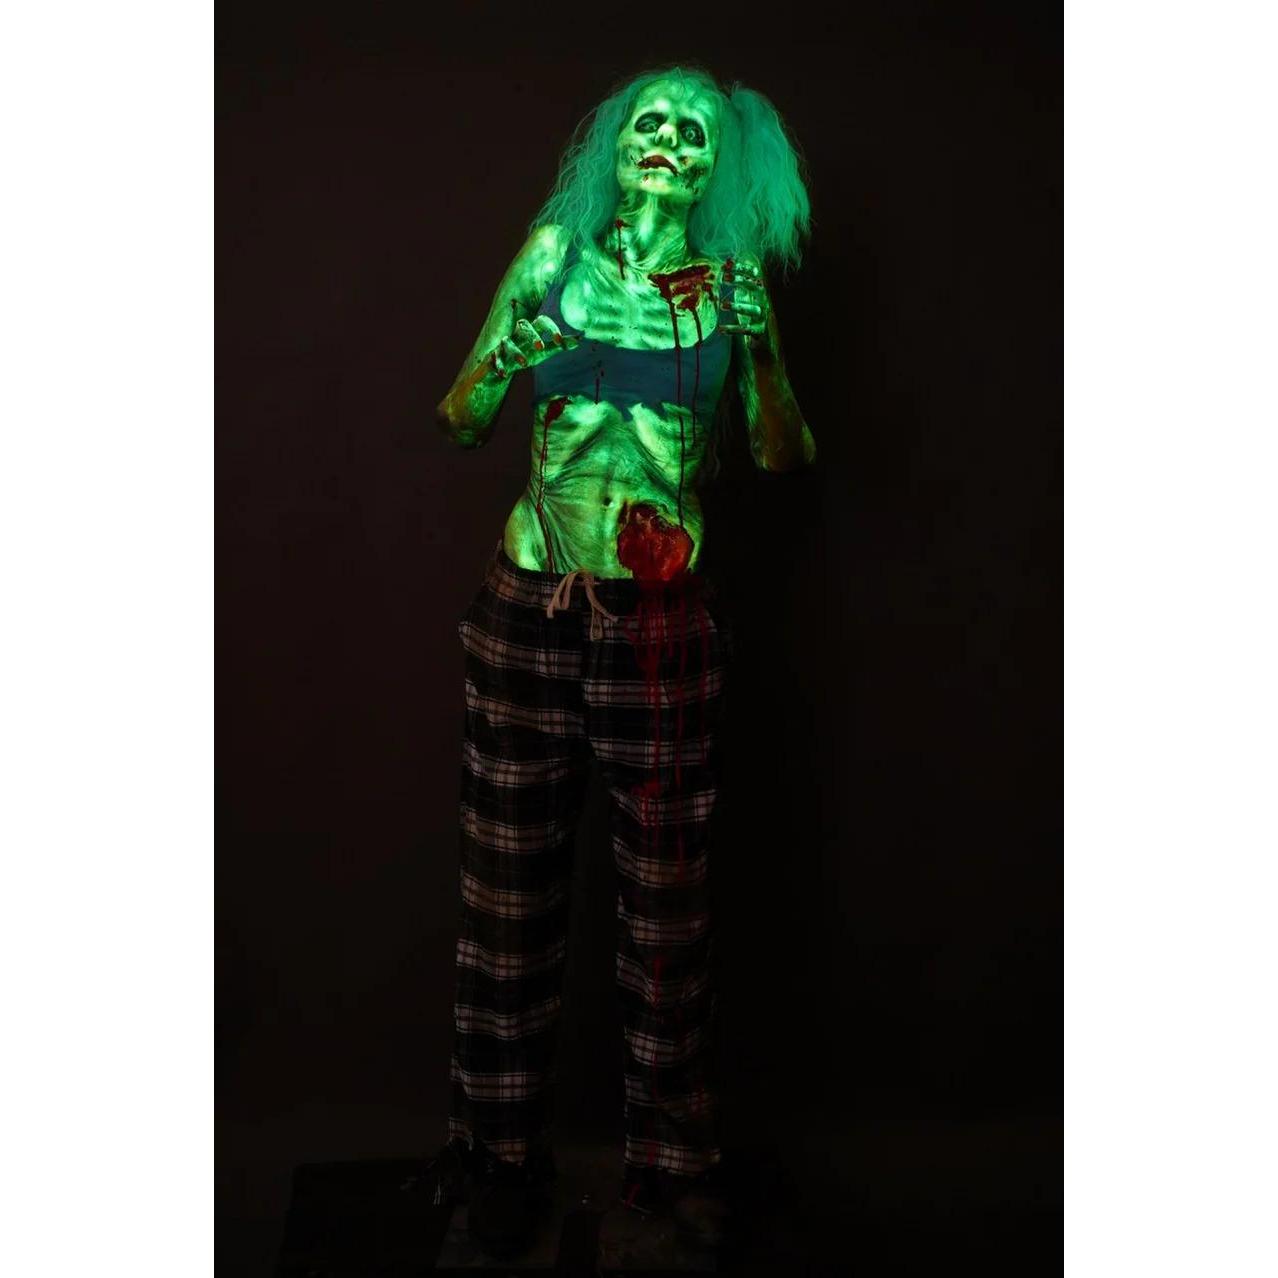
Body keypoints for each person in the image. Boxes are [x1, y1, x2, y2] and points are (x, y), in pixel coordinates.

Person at [430, 64, 815, 1259]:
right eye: (650, 122)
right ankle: (497, 1156)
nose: (667, 144)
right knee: (506, 897)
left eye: (693, 134)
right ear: (617, 145)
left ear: (718, 169)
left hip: (658, 627)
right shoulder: (556, 254)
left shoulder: (728, 288)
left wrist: (761, 350)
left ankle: (674, 1164)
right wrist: (512, 351)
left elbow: (782, 454)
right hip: (531, 601)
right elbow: (459, 417)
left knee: (667, 909)